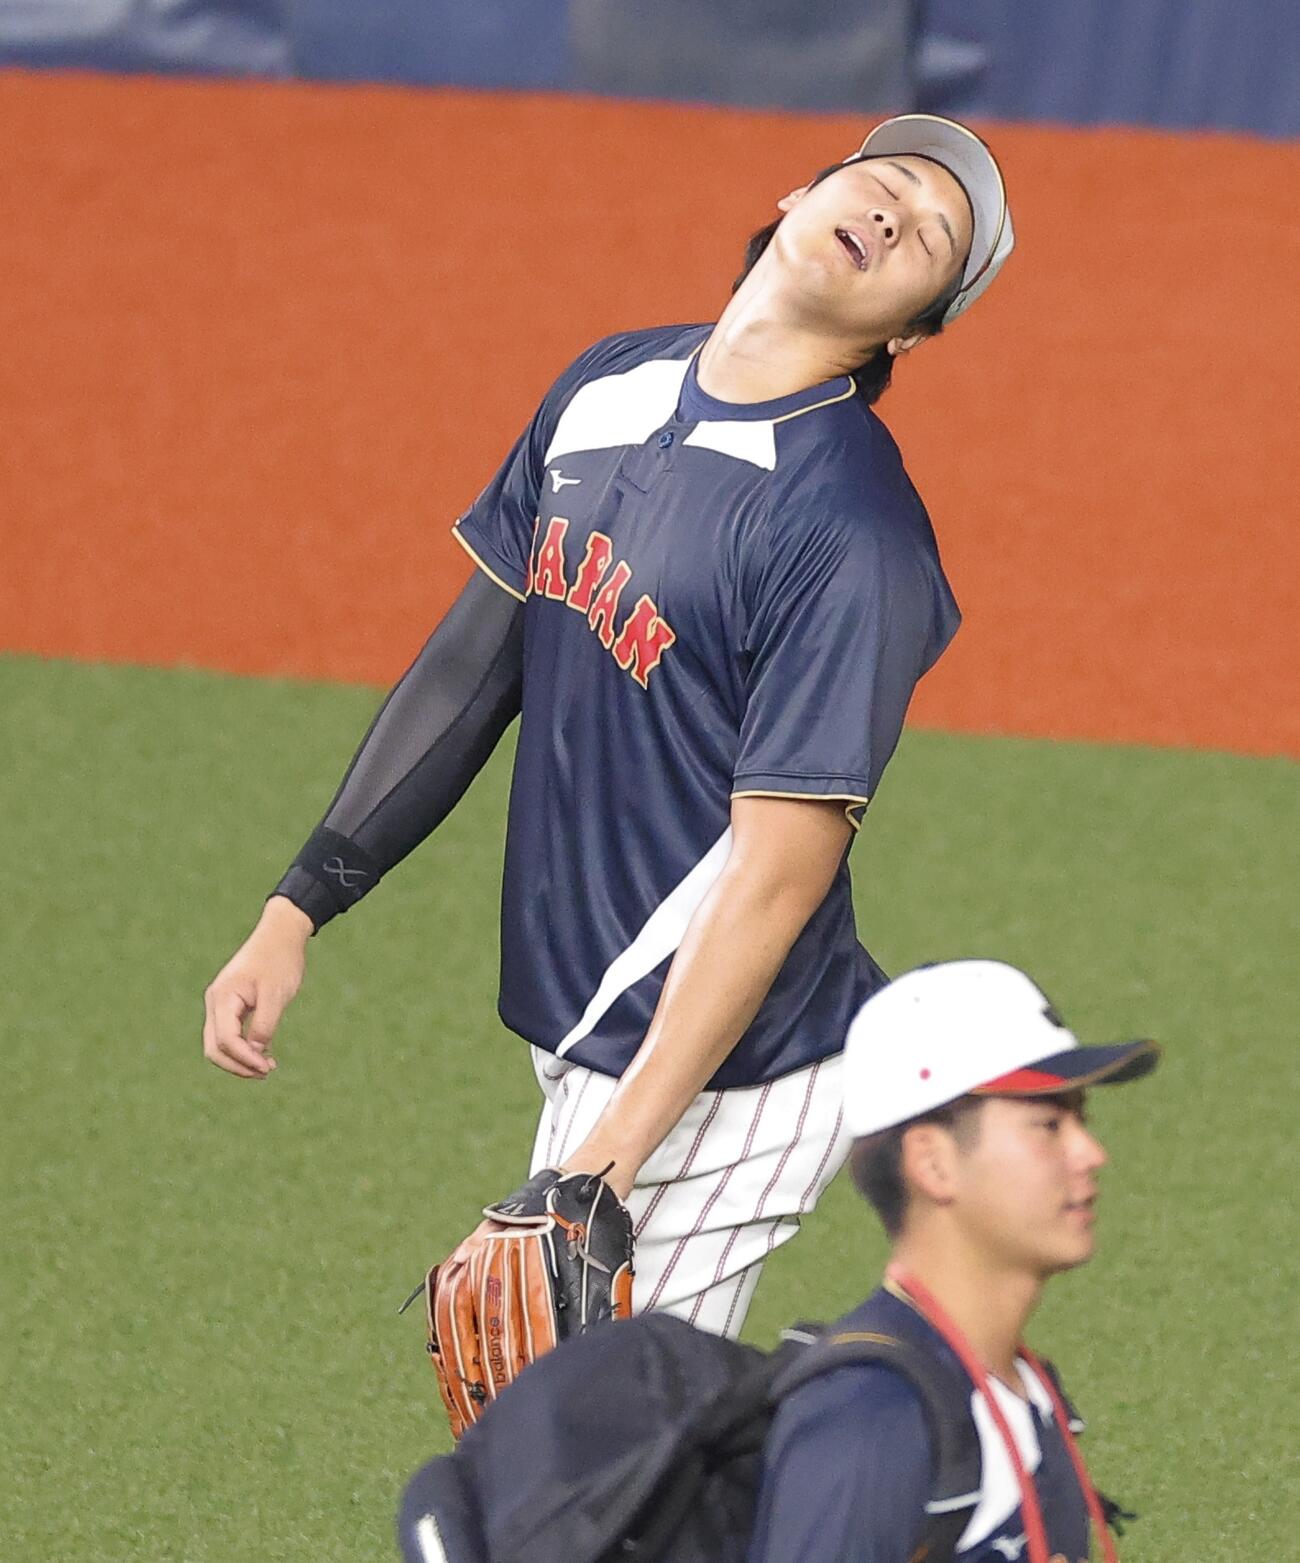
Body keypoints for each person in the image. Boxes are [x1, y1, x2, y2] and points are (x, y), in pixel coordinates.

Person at [202, 115, 1015, 1337]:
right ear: (800, 192)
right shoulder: (607, 383)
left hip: (729, 1073)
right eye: (884, 181)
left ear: (909, 328)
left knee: (582, 1479)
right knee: (597, 1476)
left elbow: (778, 874)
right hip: (606, 1031)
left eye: (932, 235)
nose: (898, 211)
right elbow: (475, 666)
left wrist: (603, 1165)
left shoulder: (852, 533)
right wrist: (297, 905)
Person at [748, 959, 1159, 1563]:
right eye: (1048, 1124)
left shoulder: (1023, 1387)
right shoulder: (869, 1414)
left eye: (1082, 1119)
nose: (1090, 1153)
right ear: (933, 1163)